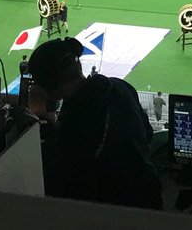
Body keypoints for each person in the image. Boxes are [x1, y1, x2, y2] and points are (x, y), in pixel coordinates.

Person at [28, 37, 162, 209]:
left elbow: (62, 177)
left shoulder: (75, 120)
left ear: (47, 86)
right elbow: (147, 134)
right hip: (149, 194)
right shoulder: (120, 86)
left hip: (110, 210)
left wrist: (43, 116)